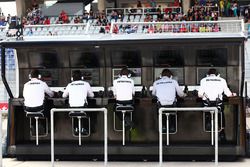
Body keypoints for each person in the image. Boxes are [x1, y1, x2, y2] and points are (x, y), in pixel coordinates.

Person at [198, 68, 236, 142]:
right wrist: (233, 94)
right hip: (218, 105)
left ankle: (208, 121)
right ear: (218, 75)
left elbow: (199, 95)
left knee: (204, 109)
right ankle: (222, 131)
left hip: (207, 105)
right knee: (221, 113)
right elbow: (228, 94)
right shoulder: (222, 80)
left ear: (207, 74)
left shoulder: (203, 80)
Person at [152, 68, 186, 133]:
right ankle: (172, 126)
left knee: (160, 113)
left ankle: (163, 126)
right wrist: (185, 95)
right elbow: (180, 94)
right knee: (174, 112)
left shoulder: (156, 82)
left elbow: (153, 94)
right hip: (172, 106)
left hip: (160, 106)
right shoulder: (174, 81)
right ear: (170, 76)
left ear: (161, 75)